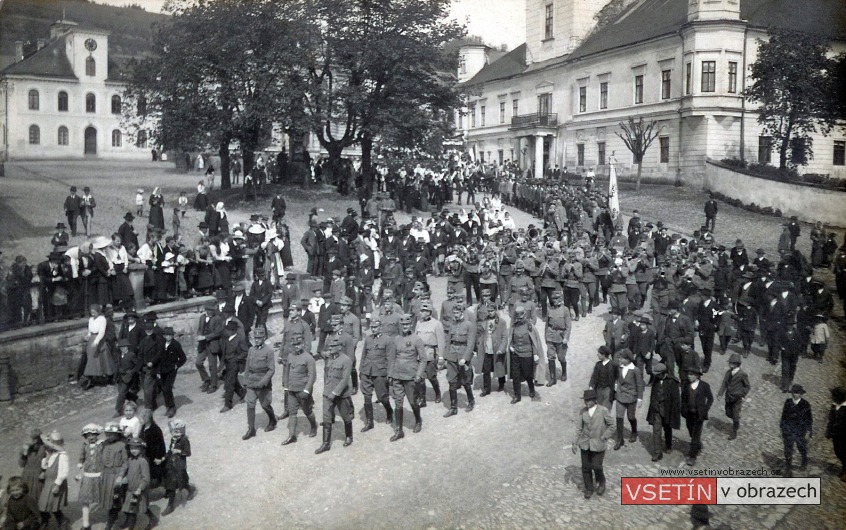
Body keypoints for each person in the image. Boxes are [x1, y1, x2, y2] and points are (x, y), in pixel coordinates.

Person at [386, 315, 426, 442]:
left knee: (413, 401)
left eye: (407, 324)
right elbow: (391, 359)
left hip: (410, 376)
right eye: (402, 325)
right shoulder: (396, 339)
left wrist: (418, 375)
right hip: (397, 375)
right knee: (398, 402)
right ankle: (399, 430)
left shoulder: (416, 339)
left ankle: (418, 420)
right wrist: (390, 375)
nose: (404, 327)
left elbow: (423, 359)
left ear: (411, 325)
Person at [572, 389, 615, 499]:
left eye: (589, 400)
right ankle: (589, 488)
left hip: (598, 443)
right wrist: (574, 443)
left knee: (596, 466)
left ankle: (601, 482)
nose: (587, 402)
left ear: (595, 400)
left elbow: (612, 426)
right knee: (586, 467)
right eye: (585, 400)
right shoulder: (583, 411)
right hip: (585, 444)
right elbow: (579, 428)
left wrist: (605, 436)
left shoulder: (603, 410)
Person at [315, 336, 355, 452]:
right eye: (330, 346)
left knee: (345, 416)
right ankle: (326, 443)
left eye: (333, 346)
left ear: (339, 347)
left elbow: (345, 379)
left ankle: (349, 436)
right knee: (326, 416)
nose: (330, 348)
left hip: (341, 394)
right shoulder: (329, 359)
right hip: (327, 392)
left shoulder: (346, 360)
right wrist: (327, 390)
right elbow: (327, 375)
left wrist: (335, 392)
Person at [280, 334, 318, 445]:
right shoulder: (290, 356)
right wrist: (286, 386)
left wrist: (307, 390)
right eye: (294, 345)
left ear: (303, 344)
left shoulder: (308, 358)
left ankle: (313, 426)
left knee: (307, 411)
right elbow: (287, 372)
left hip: (303, 390)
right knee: (292, 412)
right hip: (292, 389)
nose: (296, 347)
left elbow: (312, 376)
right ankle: (292, 435)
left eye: (298, 344)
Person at [359, 319, 395, 432]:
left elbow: (390, 359)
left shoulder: (387, 340)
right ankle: (369, 422)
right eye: (372, 327)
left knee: (382, 397)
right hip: (367, 371)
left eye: (376, 327)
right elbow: (363, 355)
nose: (373, 329)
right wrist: (361, 370)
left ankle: (389, 411)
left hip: (380, 372)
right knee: (367, 396)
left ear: (380, 328)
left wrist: (390, 374)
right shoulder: (368, 339)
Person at [241, 326, 277, 440]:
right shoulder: (251, 350)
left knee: (265, 404)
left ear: (264, 337)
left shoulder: (269, 351)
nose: (257, 340)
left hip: (263, 381)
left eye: (259, 338)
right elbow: (247, 367)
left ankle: (273, 419)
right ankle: (251, 429)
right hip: (252, 380)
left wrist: (263, 382)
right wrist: (245, 380)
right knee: (250, 404)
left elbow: (271, 369)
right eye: (255, 338)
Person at [443, 304, 477, 415]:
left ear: (462, 313)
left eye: (458, 313)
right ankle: (453, 407)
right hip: (452, 355)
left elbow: (470, 343)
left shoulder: (469, 325)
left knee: (465, 381)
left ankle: (471, 401)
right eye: (454, 313)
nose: (456, 315)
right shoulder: (452, 325)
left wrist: (465, 358)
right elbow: (448, 341)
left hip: (463, 355)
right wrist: (445, 356)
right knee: (451, 381)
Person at [646, 362, 680, 462]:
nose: (655, 376)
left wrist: (674, 414)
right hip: (656, 410)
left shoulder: (672, 382)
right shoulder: (656, 380)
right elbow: (653, 395)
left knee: (667, 428)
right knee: (656, 430)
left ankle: (668, 444)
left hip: (667, 411)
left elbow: (676, 400)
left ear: (662, 373)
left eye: (657, 374)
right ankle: (657, 452)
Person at [161, 419, 195, 516]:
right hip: (171, 465)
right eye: (174, 431)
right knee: (171, 484)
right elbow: (170, 451)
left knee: (182, 482)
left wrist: (179, 452)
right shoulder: (173, 439)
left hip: (180, 466)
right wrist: (163, 458)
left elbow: (188, 453)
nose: (175, 433)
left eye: (178, 431)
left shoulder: (184, 440)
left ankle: (189, 489)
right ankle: (170, 505)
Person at [508, 305, 541, 404]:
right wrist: (511, 346)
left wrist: (535, 354)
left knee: (528, 374)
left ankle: (531, 389)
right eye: (518, 316)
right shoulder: (514, 326)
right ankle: (517, 395)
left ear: (525, 315)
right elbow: (510, 337)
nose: (519, 318)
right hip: (516, 353)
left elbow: (534, 341)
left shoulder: (530, 326)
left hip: (527, 354)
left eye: (521, 316)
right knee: (515, 376)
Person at [681, 366, 713, 466]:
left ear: (697, 376)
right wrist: (684, 409)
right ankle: (698, 444)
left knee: (695, 435)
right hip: (689, 414)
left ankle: (692, 456)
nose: (689, 376)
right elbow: (683, 398)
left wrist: (705, 410)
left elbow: (710, 399)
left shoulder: (704, 386)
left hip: (699, 415)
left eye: (691, 374)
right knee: (691, 432)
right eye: (688, 374)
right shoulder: (686, 385)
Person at [121, 438, 156, 530]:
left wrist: (140, 488)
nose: (134, 450)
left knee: (134, 510)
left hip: (138, 490)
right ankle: (152, 518)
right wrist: (123, 478)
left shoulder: (143, 461)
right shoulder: (130, 460)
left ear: (142, 449)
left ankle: (131, 527)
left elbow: (146, 478)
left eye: (136, 448)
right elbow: (127, 471)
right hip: (130, 489)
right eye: (132, 448)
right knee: (138, 507)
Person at [38, 431, 70, 530]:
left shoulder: (62, 456)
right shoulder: (51, 454)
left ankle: (62, 521)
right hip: (48, 482)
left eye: (49, 445)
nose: (47, 446)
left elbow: (64, 471)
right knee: (43, 503)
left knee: (54, 505)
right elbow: (45, 465)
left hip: (56, 483)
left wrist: (57, 484)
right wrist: (47, 457)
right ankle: (45, 521)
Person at [779, 384, 812, 476]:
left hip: (800, 431)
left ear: (801, 394)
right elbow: (783, 416)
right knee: (788, 449)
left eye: (797, 393)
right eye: (793, 393)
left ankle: (804, 460)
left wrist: (808, 431)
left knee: (801, 447)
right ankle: (788, 468)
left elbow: (809, 419)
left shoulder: (805, 404)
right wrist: (782, 428)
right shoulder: (788, 402)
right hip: (788, 431)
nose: (795, 395)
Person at [717, 353, 750, 440]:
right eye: (730, 363)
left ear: (737, 364)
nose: (730, 364)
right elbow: (724, 383)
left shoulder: (742, 374)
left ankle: (734, 431)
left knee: (735, 415)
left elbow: (747, 386)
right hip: (728, 397)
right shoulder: (728, 373)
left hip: (737, 399)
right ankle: (737, 421)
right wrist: (720, 394)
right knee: (728, 413)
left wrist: (742, 394)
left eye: (732, 363)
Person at [76, 423, 104, 530]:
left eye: (93, 434)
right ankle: (86, 523)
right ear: (85, 437)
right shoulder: (85, 446)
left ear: (97, 434)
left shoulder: (101, 444)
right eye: (88, 435)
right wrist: (80, 463)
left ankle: (113, 516)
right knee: (85, 500)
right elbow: (81, 457)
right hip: (88, 475)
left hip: (99, 475)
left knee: (105, 498)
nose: (91, 437)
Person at [160, 327, 187, 418]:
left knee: (168, 387)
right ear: (164, 336)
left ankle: (172, 407)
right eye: (166, 335)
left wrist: (177, 365)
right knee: (164, 388)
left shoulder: (176, 345)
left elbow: (183, 358)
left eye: (170, 335)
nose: (168, 337)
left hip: (171, 370)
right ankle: (168, 406)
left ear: (172, 336)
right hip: (162, 370)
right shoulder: (161, 344)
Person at [18, 427, 46, 503]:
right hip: (27, 474)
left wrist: (44, 471)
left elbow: (48, 462)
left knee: (38, 494)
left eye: (36, 438)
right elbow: (21, 464)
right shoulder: (26, 448)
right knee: (26, 493)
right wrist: (24, 454)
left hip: (38, 473)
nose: (34, 441)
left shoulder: (44, 448)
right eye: (32, 439)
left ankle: (39, 512)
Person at [826, 386, 846, 482]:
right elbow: (830, 420)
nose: (832, 397)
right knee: (837, 452)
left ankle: (845, 471)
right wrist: (828, 432)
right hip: (835, 435)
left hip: (844, 435)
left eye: (833, 396)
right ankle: (844, 467)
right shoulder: (833, 407)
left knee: (843, 453)